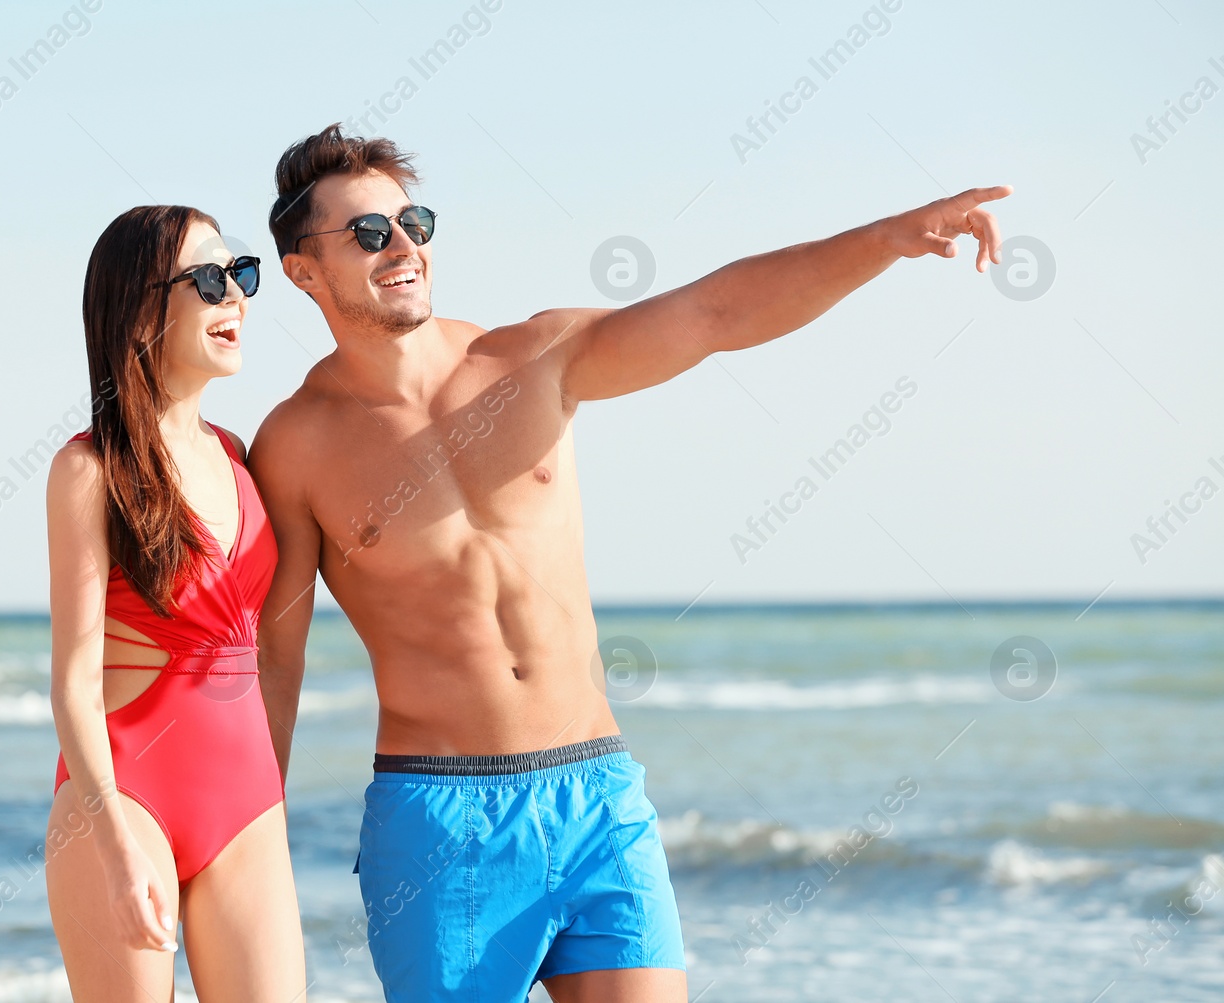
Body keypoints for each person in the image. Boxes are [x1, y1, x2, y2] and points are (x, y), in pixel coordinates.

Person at [250, 124, 1010, 1002]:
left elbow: (715, 313)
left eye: (413, 221)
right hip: (438, 820)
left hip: (596, 794)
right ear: (305, 270)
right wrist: (252, 835)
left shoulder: (531, 358)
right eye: (370, 233)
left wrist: (883, 239)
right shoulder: (296, 446)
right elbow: (276, 656)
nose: (405, 247)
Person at [43, 205, 304, 1001]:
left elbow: (271, 653)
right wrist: (114, 847)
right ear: (140, 306)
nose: (236, 298)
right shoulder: (89, 472)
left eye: (241, 274)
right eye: (210, 279)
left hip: (248, 806)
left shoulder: (241, 456)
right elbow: (73, 685)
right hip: (123, 806)